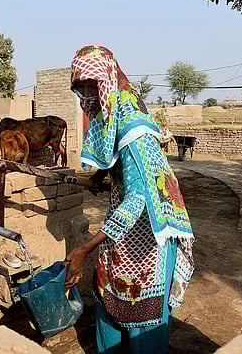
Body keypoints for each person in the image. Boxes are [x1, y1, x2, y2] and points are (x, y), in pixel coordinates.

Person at [64, 45, 195, 353]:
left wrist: (85, 248)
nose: (85, 94)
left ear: (106, 80)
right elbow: (123, 162)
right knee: (109, 297)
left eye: (90, 85)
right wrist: (100, 175)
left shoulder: (132, 122)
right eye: (79, 87)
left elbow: (137, 198)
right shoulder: (116, 107)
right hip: (123, 230)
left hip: (149, 234)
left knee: (144, 311)